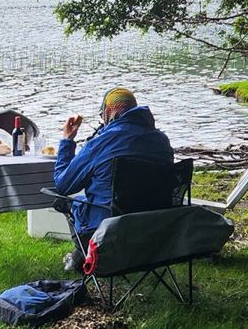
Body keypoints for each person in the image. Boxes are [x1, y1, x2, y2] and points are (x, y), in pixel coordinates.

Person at [53, 87, 173, 271]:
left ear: (109, 111)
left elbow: (63, 184)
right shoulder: (161, 141)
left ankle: (83, 257)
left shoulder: (101, 143)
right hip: (155, 229)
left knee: (66, 202)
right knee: (90, 201)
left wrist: (67, 140)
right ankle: (80, 257)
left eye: (103, 115)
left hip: (110, 230)